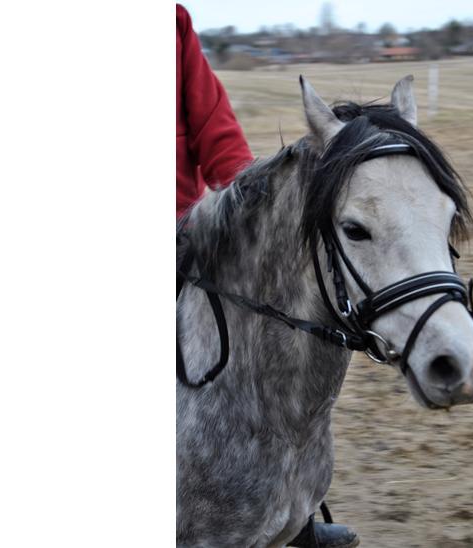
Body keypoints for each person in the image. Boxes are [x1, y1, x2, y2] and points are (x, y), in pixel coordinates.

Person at [176, 5, 358, 547]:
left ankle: (291, 507)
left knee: (277, 322)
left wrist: (248, 208)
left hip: (185, 228)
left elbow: (214, 127)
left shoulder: (167, 23)